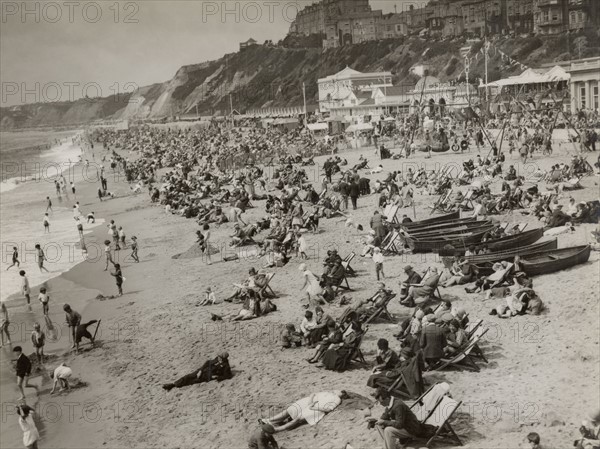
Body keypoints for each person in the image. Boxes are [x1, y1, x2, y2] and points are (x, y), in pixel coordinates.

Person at [260, 390, 347, 433]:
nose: (336, 390)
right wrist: (310, 400)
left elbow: (328, 409)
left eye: (339, 391)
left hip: (316, 408)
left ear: (341, 394)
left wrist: (314, 408)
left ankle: (277, 429)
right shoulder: (328, 392)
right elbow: (313, 394)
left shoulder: (337, 399)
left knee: (297, 418)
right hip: (311, 402)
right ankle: (270, 420)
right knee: (291, 409)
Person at [162, 352, 232, 391]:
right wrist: (200, 370)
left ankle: (175, 386)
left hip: (207, 376)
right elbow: (208, 362)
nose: (218, 358)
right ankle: (173, 384)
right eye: (218, 357)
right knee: (188, 376)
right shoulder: (217, 358)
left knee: (192, 381)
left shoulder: (226, 366)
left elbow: (228, 376)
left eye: (220, 357)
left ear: (224, 358)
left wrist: (217, 377)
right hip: (202, 371)